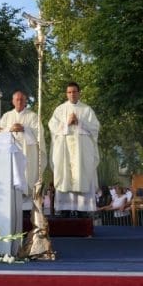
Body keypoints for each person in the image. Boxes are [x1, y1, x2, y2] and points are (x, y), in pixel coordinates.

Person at [48, 81, 100, 216]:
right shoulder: (60, 110)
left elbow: (95, 128)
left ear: (79, 93)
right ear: (66, 94)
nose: (72, 94)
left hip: (82, 152)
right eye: (69, 92)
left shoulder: (87, 110)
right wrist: (67, 124)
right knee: (65, 176)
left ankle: (83, 211)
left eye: (75, 92)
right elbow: (52, 127)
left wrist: (80, 123)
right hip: (65, 152)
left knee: (82, 175)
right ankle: (65, 211)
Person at [0, 90, 40, 198]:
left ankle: (27, 207)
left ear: (26, 101)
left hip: (28, 153)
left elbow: (38, 135)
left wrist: (25, 129)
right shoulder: (6, 116)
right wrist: (10, 129)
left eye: (22, 99)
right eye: (17, 99)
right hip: (11, 153)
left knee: (27, 176)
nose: (19, 101)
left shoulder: (33, 116)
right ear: (13, 101)